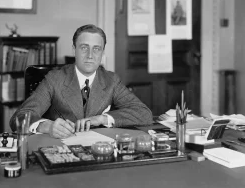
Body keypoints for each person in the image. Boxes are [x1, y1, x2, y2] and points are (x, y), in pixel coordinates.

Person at [10, 24, 153, 139]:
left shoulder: (111, 80)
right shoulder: (54, 79)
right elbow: (19, 118)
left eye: (96, 49)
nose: (90, 55)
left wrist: (102, 119)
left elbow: (144, 114)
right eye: (84, 48)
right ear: (74, 50)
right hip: (60, 150)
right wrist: (47, 126)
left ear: (102, 53)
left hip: (98, 151)